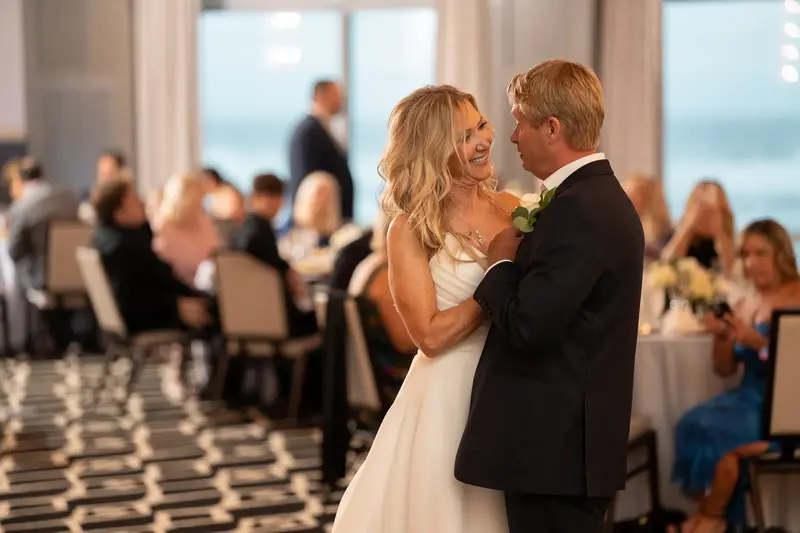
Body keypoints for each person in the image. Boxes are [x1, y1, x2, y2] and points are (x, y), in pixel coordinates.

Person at [455, 60, 645, 533]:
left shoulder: (580, 208)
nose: (513, 136)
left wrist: (498, 264)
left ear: (553, 128)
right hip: (562, 449)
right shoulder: (591, 197)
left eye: (520, 121)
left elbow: (528, 326)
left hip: (554, 453)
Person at [332, 85, 516, 533]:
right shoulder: (411, 228)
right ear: (433, 151)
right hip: (447, 399)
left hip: (511, 388)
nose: (483, 140)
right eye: (463, 136)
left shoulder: (512, 208)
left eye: (481, 125)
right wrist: (492, 280)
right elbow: (429, 337)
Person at [669, 219, 800, 533]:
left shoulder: (797, 296)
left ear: (781, 254)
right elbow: (724, 369)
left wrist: (757, 343)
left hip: (783, 405)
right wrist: (723, 337)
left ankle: (707, 521)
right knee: (691, 423)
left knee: (718, 431)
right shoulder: (745, 302)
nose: (752, 263)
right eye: (746, 254)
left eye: (761, 254)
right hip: (746, 396)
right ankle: (713, 518)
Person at [91, 178, 211, 334]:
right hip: (149, 316)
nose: (141, 202)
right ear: (119, 213)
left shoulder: (105, 239)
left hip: (147, 311)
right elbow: (133, 297)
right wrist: (177, 305)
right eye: (133, 199)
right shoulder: (126, 247)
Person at [288, 80, 354, 223]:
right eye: (336, 96)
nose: (341, 101)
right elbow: (306, 178)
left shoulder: (322, 128)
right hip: (316, 223)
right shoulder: (308, 132)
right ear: (319, 96)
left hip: (331, 221)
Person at [661, 180, 735, 274]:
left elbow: (729, 269)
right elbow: (666, 264)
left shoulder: (726, 237)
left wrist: (719, 226)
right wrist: (690, 226)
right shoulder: (677, 232)